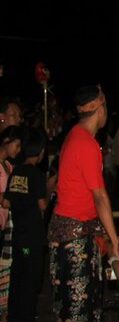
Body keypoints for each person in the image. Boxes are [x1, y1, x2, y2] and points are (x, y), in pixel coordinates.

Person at [49, 85, 119, 322]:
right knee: (78, 309)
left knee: (70, 307)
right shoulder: (86, 144)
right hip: (75, 239)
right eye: (106, 105)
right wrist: (115, 240)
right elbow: (100, 196)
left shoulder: (75, 135)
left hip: (71, 234)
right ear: (99, 108)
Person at [3, 128, 47, 322]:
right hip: (32, 239)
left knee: (17, 279)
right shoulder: (36, 174)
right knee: (30, 281)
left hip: (18, 236)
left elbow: (7, 202)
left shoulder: (16, 172)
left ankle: (14, 316)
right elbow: (42, 205)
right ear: (41, 152)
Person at [0, 127, 22, 320]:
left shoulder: (9, 165)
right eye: (17, 144)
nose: (19, 149)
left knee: (6, 271)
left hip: (7, 224)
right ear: (7, 141)